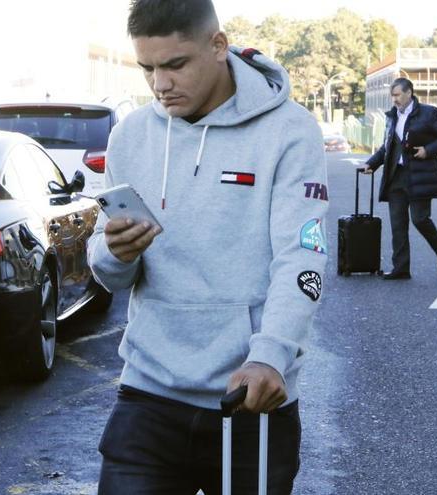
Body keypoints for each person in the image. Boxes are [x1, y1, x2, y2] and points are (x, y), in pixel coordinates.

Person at [87, 1, 328, 493]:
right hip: (148, 395)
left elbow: (302, 258)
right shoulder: (129, 135)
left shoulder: (289, 131)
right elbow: (107, 270)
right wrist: (116, 254)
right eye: (148, 68)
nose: (160, 85)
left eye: (175, 64)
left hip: (250, 397)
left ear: (218, 46)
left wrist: (270, 355)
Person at [363, 78, 437, 280]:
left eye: (397, 95)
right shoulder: (392, 116)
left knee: (420, 219)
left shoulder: (429, 113)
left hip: (419, 175)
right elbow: (388, 147)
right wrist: (372, 164)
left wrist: (428, 150)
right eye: (392, 96)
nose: (394, 100)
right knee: (397, 223)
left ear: (409, 92)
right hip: (396, 175)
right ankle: (401, 268)